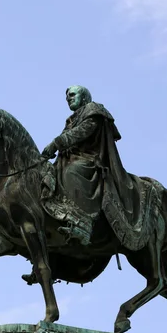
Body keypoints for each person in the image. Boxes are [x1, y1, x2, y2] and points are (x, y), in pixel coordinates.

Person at [22, 85, 139, 285]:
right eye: (67, 97)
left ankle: (83, 224)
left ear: (84, 96)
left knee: (72, 173)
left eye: (72, 95)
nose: (69, 99)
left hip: (90, 160)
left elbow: (82, 133)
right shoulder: (72, 118)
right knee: (46, 177)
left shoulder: (94, 110)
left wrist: (55, 144)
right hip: (68, 159)